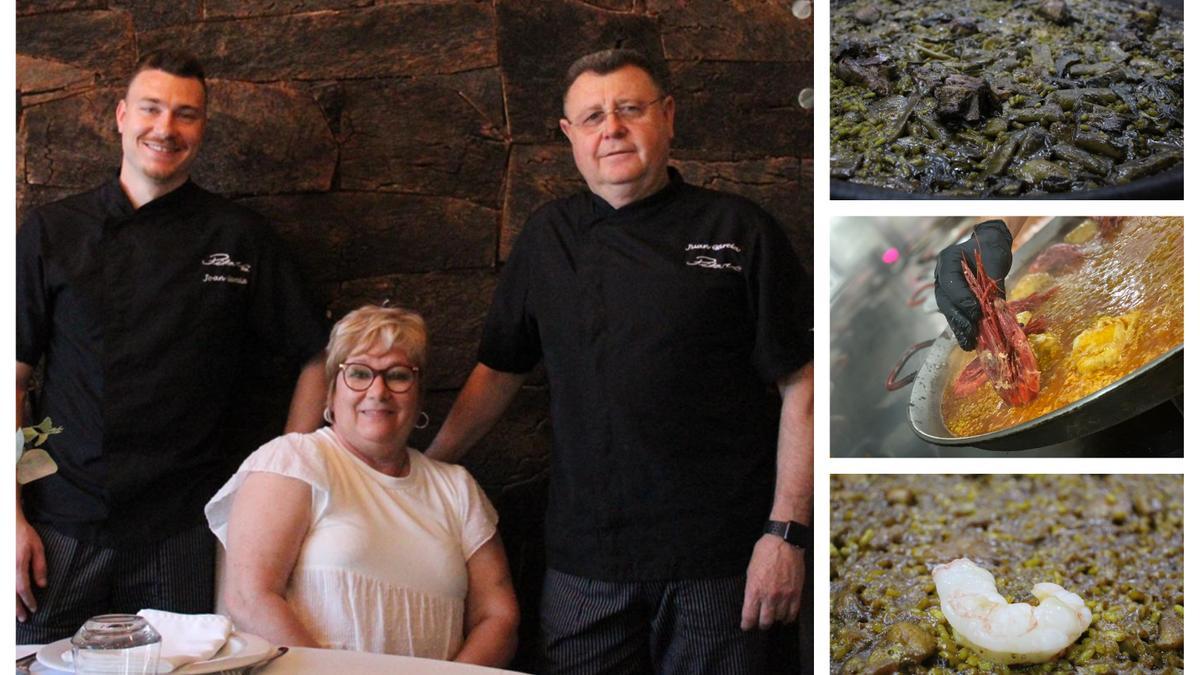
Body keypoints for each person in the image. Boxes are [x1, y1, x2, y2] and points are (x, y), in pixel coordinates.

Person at [426, 48, 814, 674]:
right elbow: (500, 370)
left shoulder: (740, 229)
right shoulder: (547, 236)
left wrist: (786, 534)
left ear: (667, 116)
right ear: (569, 135)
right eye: (593, 116)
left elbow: (804, 383)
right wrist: (422, 470)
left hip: (722, 563)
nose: (612, 128)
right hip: (586, 564)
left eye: (629, 109)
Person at [15, 50, 329, 643]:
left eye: (186, 114)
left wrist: (282, 475)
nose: (166, 128)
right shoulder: (53, 230)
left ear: (202, 128)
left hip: (185, 528)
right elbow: (13, 377)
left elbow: (316, 354)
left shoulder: (239, 236)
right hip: (60, 522)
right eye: (152, 109)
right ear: (121, 115)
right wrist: (11, 517)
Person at [205, 305, 519, 665]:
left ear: (419, 393)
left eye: (398, 375)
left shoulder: (456, 487)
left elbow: (497, 617)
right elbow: (249, 597)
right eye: (358, 373)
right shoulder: (294, 460)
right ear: (330, 392)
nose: (378, 390)